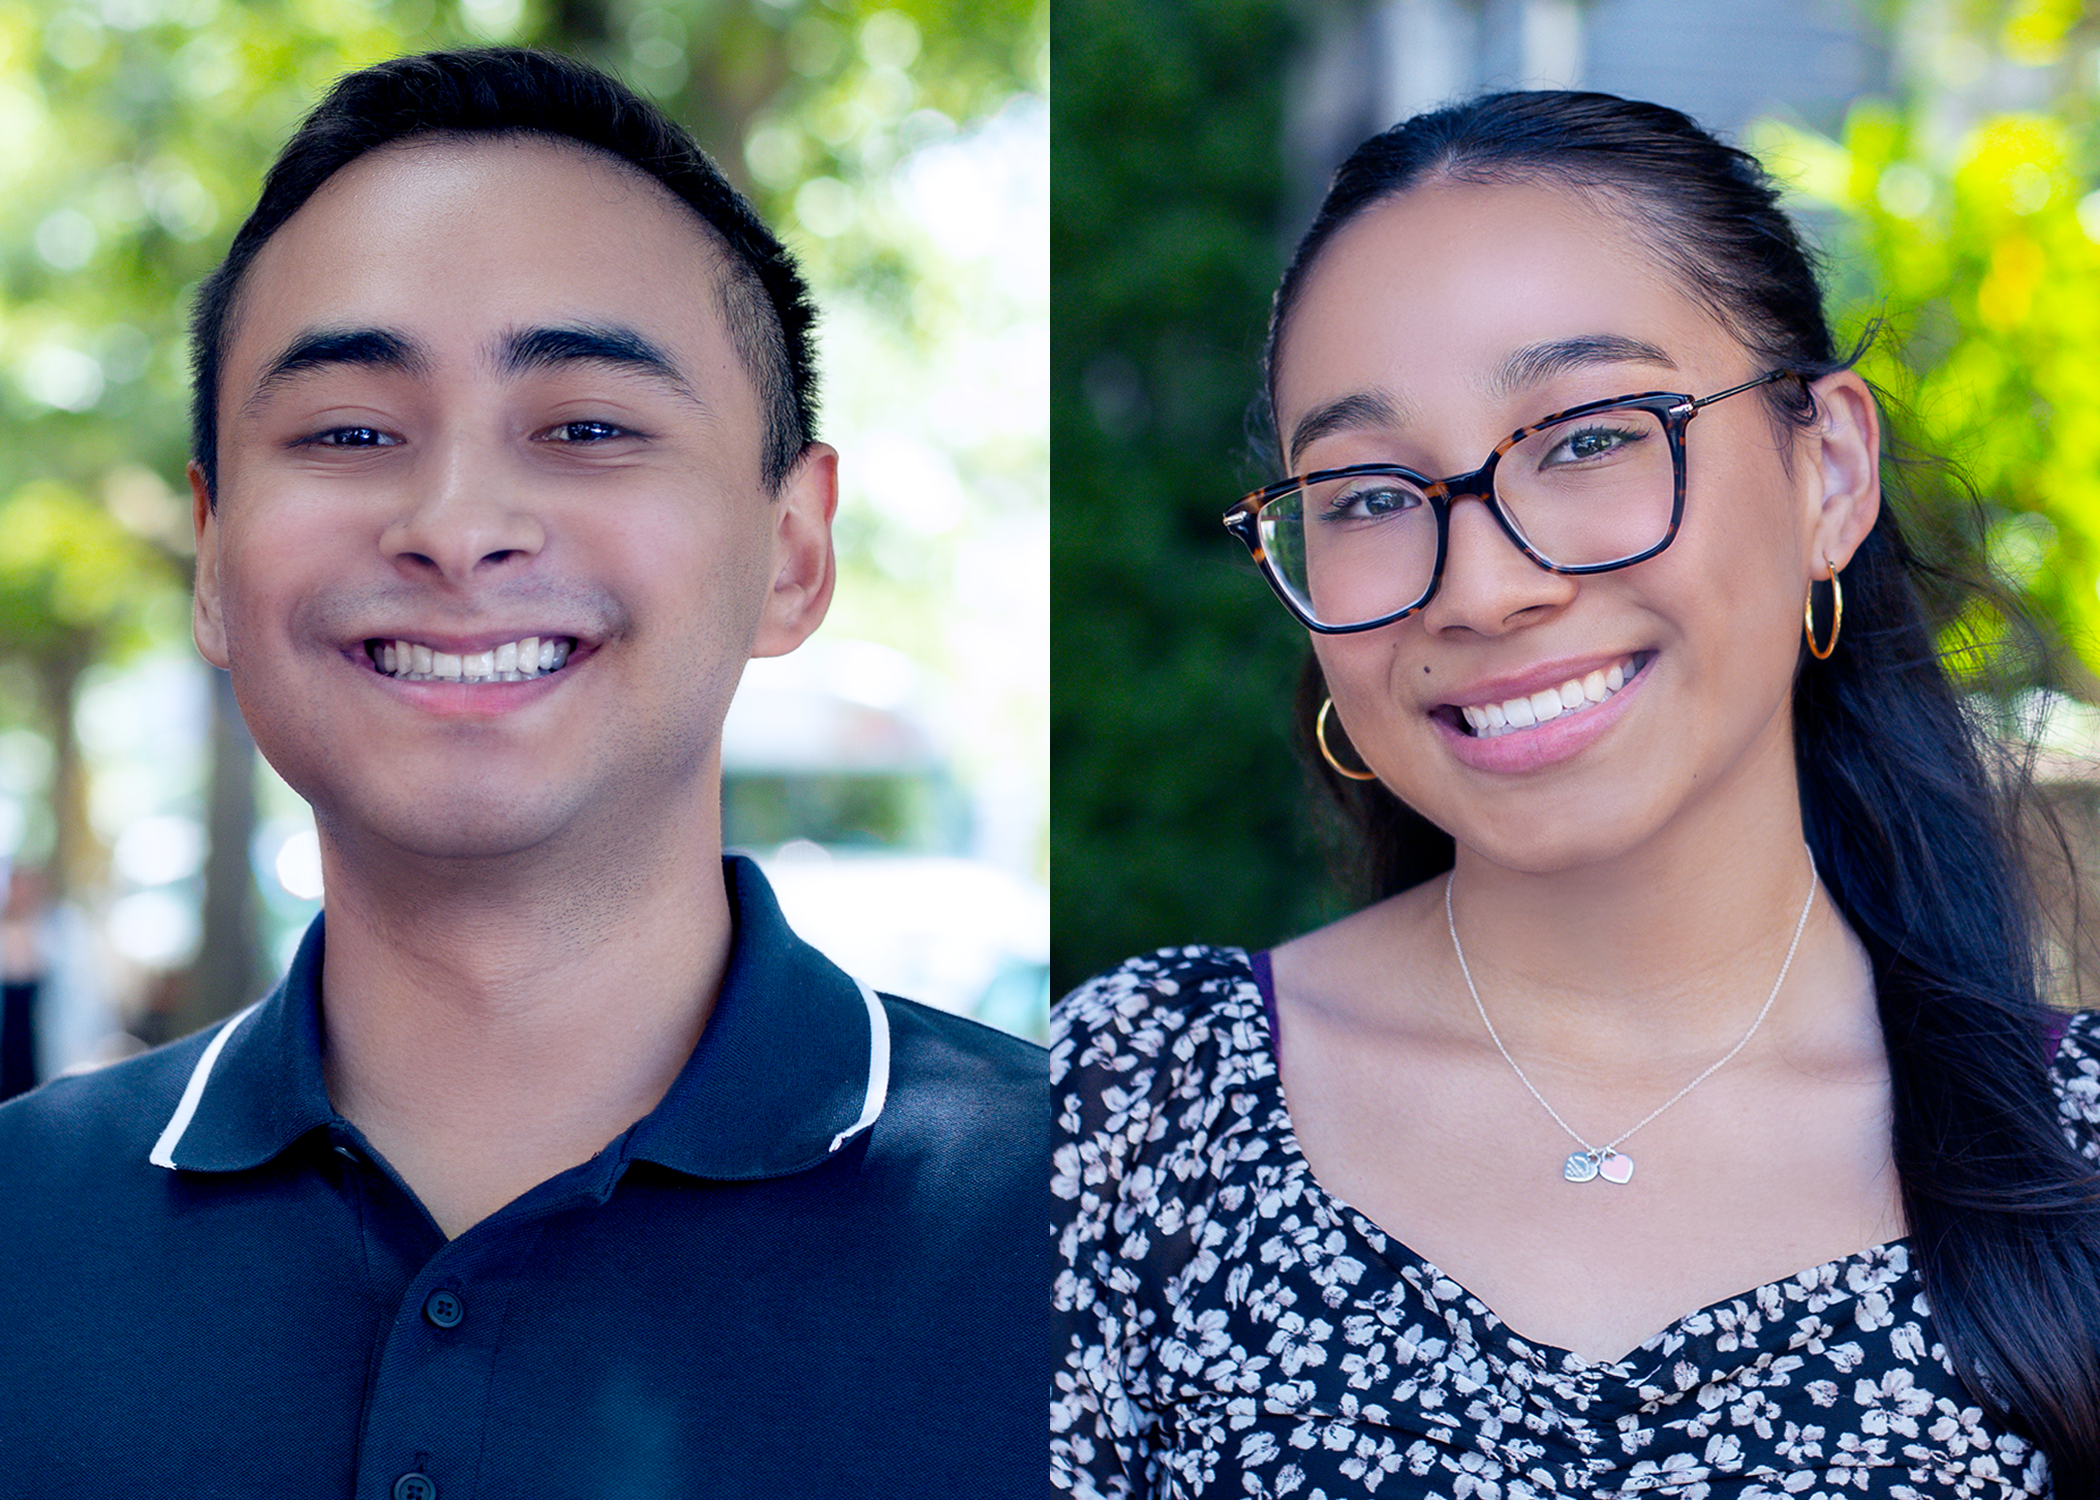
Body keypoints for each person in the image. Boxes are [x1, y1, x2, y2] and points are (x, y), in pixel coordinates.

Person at [0, 47, 1046, 1495]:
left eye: (588, 428)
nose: (456, 524)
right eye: (350, 431)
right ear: (214, 559)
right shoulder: (24, 1220)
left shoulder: (1092, 1228)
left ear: (794, 551)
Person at [1052, 91, 2100, 1498]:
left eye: (1592, 436)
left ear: (1830, 473)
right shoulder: (1135, 1111)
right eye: (1368, 496)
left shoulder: (2076, 1149)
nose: (1484, 588)